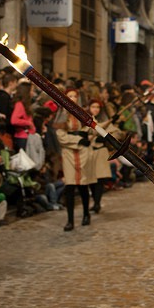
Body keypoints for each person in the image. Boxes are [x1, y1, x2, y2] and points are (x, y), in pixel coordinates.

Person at [55, 89, 92, 231]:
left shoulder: (82, 113)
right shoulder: (62, 116)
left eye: (74, 96)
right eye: (69, 96)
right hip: (69, 152)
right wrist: (77, 139)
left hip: (83, 153)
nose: (72, 98)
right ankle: (70, 220)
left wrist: (86, 138)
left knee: (83, 185)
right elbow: (60, 135)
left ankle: (86, 214)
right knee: (70, 186)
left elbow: (91, 128)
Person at [11, 81, 36, 152]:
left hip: (27, 137)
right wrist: (29, 123)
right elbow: (14, 120)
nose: (33, 93)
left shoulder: (25, 105)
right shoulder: (19, 104)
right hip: (22, 138)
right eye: (32, 90)